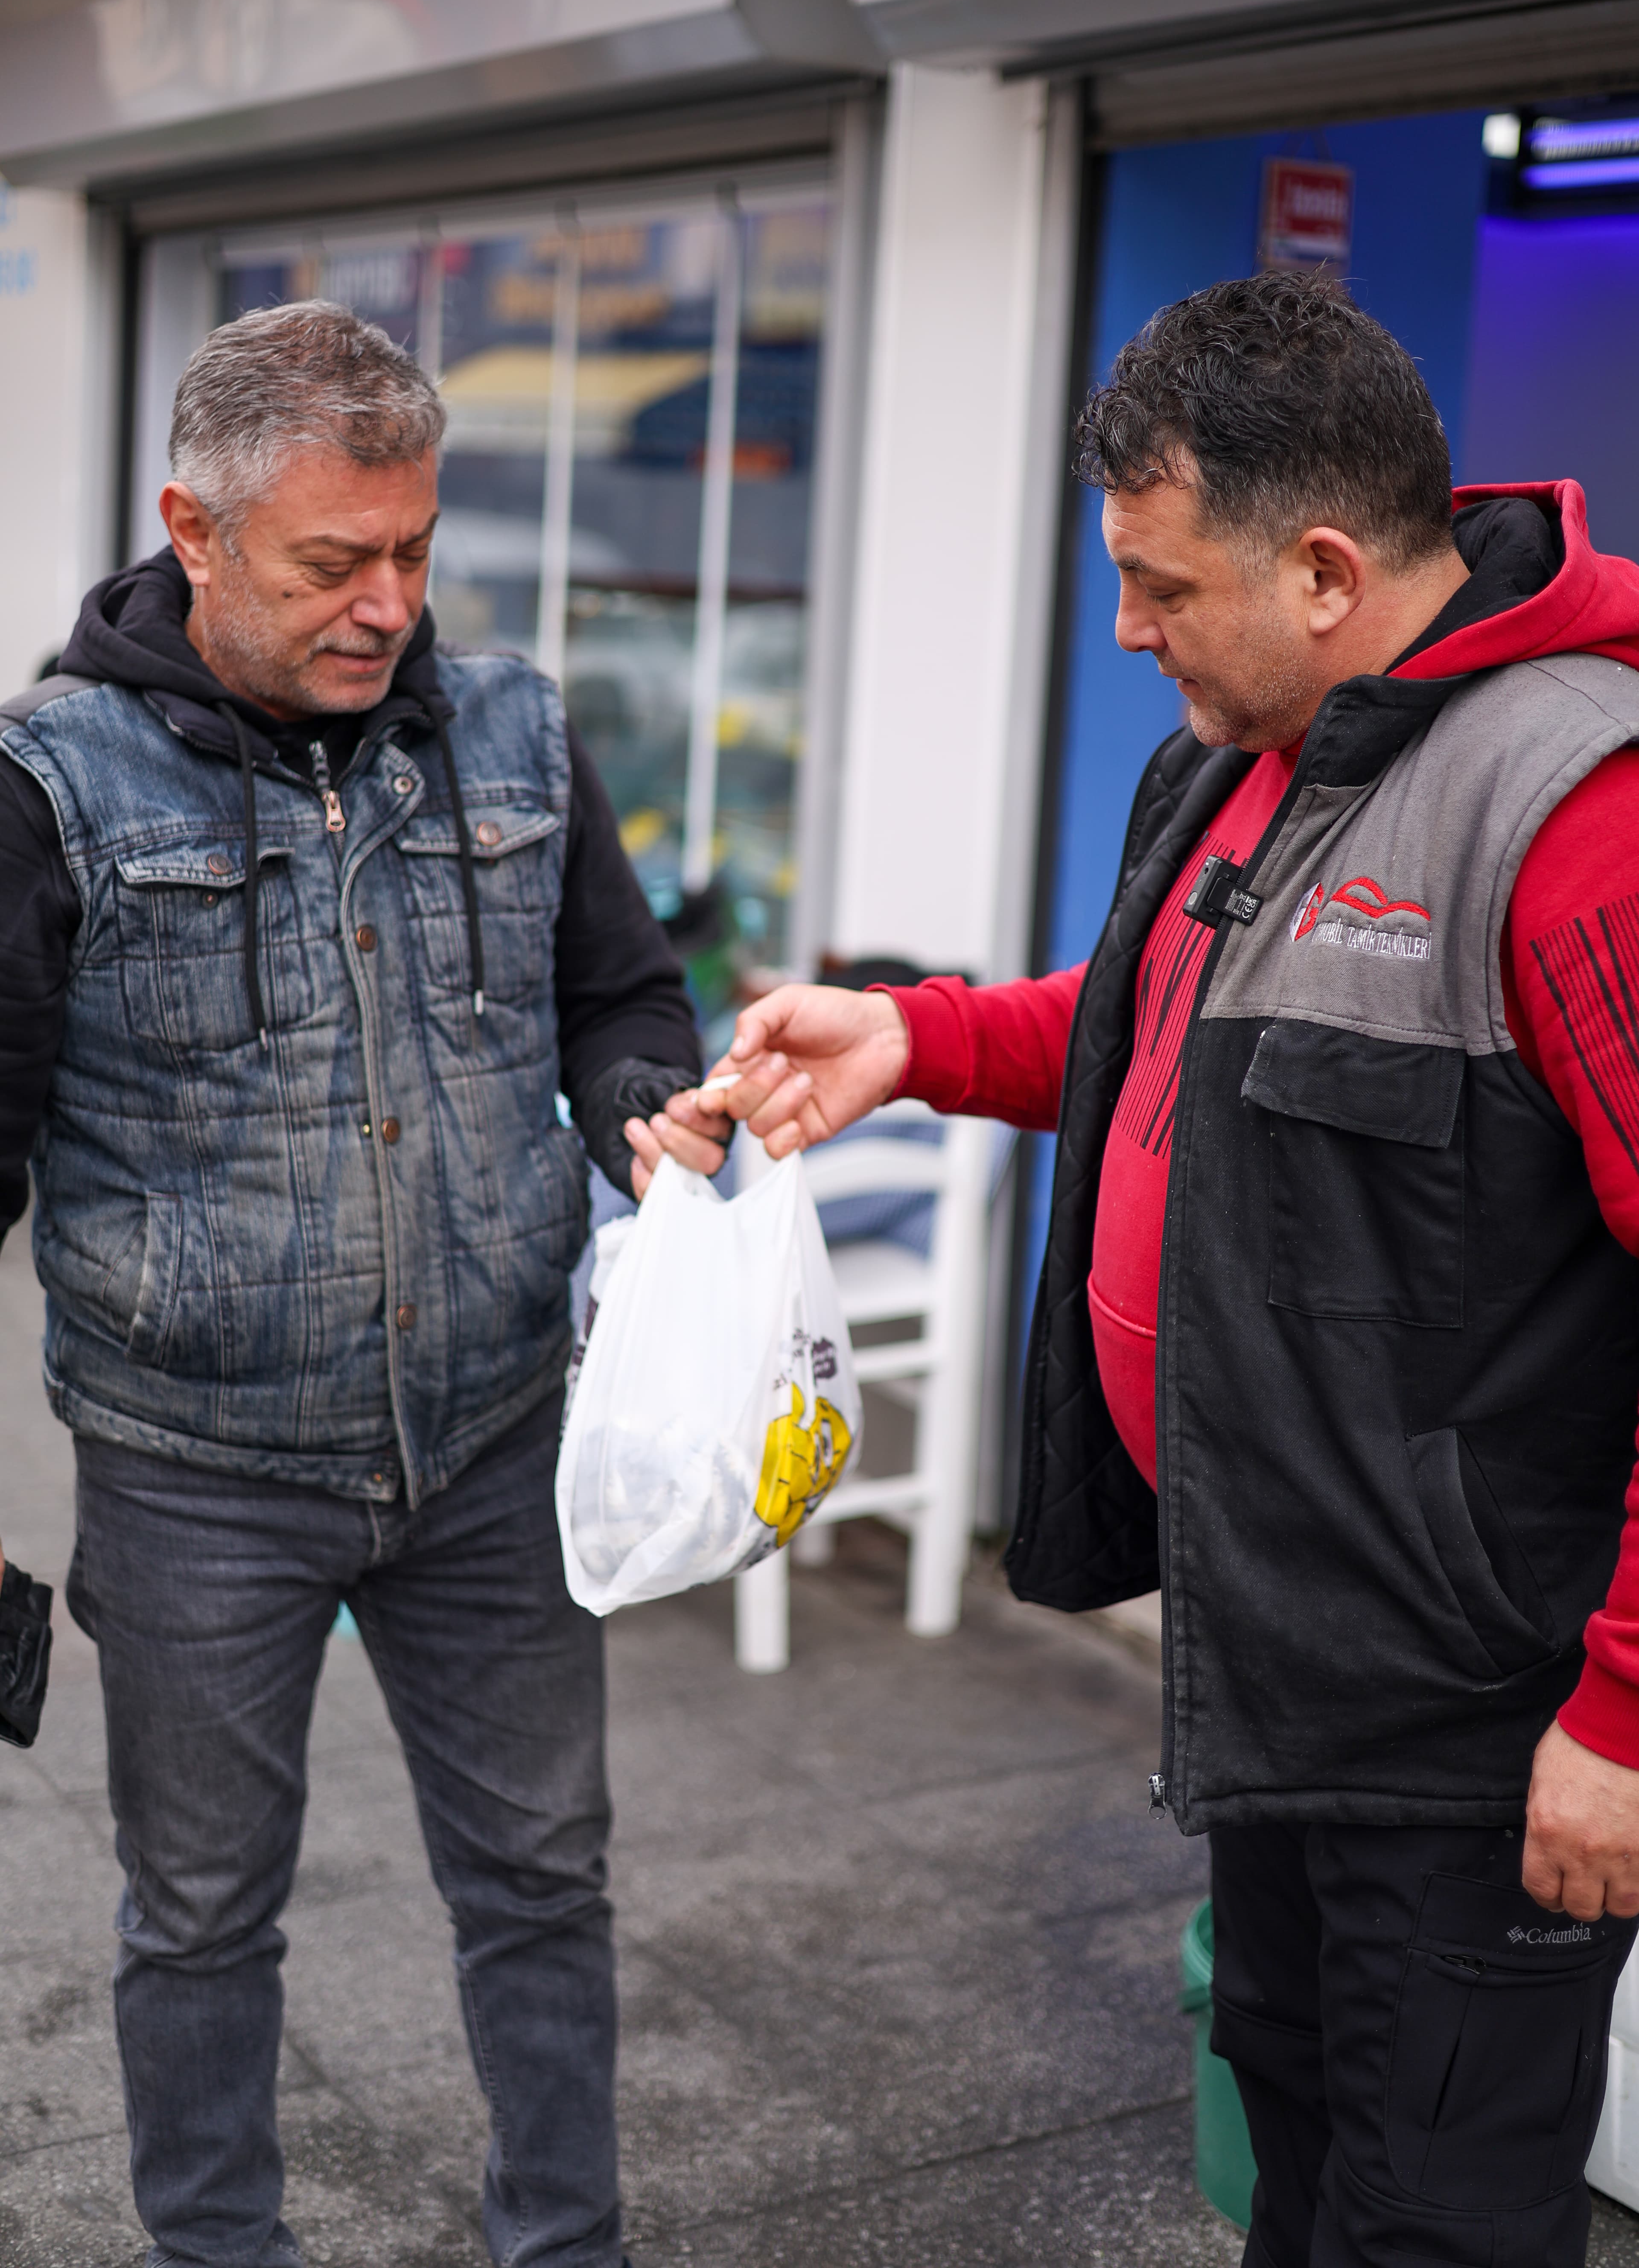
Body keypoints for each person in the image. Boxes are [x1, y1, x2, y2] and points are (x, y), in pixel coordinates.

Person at [643, 272, 1639, 2266]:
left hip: (1469, 1718)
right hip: (1278, 1660)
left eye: (1162, 585)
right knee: (1290, 2144)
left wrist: (1621, 1717)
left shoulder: (1581, 815)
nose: (1129, 629)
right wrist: (917, 1039)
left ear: (1332, 569)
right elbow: (1162, 1019)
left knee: (1441, 2222)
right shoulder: (1259, 744)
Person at [0, 299, 723, 2268]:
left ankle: (565, 2245)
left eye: (415, 551)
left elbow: (619, 997)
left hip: (496, 1439)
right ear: (199, 528)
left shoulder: (517, 727)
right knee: (203, 1912)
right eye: (336, 560)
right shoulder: (46, 784)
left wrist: (648, 1104)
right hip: (195, 1468)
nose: (388, 603)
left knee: (542, 1883)